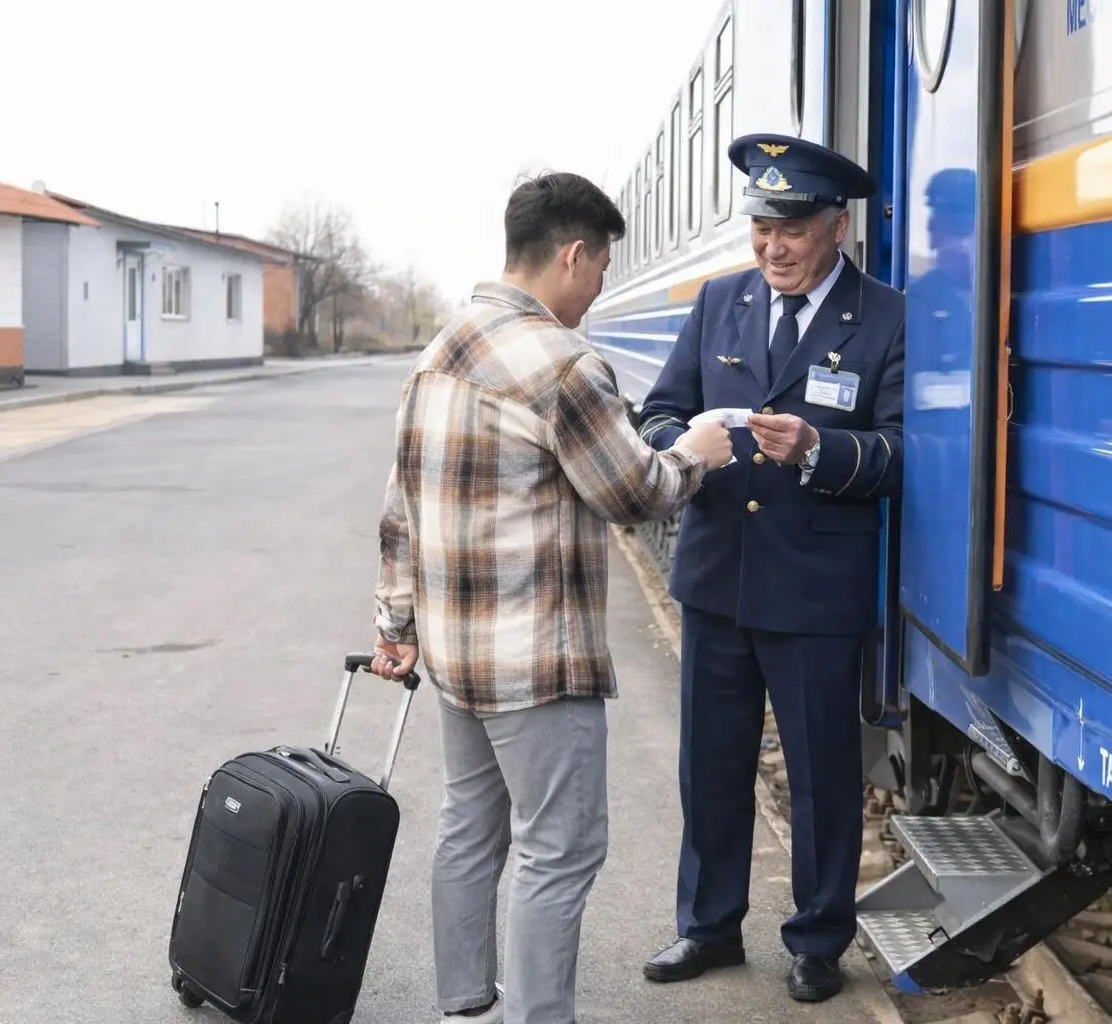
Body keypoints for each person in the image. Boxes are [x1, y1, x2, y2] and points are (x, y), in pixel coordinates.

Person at [369, 170, 734, 1024]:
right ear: (573, 254)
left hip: (458, 657)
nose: (600, 285)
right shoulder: (565, 364)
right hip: (537, 662)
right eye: (601, 265)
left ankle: (466, 1002)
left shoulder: (438, 352)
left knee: (470, 828)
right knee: (559, 853)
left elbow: (399, 508)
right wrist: (700, 453)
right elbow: (634, 492)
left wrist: (396, 624)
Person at [635, 133, 906, 1003]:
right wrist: (682, 444)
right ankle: (708, 927)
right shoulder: (721, 301)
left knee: (823, 775)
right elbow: (657, 412)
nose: (772, 247)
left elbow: (904, 451)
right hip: (718, 578)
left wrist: (820, 451)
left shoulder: (886, 316)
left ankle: (819, 940)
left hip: (816, 591)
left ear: (837, 225)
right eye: (761, 227)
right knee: (711, 766)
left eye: (791, 229)